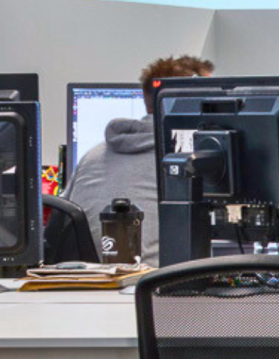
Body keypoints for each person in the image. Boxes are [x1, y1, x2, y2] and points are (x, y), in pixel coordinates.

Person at [65, 54, 214, 266]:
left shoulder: (91, 156)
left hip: (94, 281)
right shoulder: (193, 158)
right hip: (164, 280)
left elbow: (60, 218)